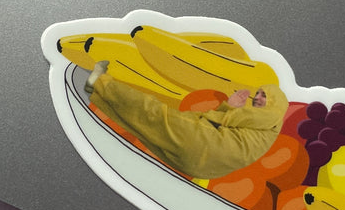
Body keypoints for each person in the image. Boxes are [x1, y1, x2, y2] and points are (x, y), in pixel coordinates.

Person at [84, 61, 288, 179]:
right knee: (144, 128)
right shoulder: (266, 130)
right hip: (201, 167)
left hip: (203, 145)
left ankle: (101, 82)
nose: (258, 98)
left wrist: (230, 106)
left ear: (275, 103)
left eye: (264, 96)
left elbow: (223, 119)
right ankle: (96, 92)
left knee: (151, 111)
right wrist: (228, 108)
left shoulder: (272, 115)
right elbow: (226, 125)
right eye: (259, 94)